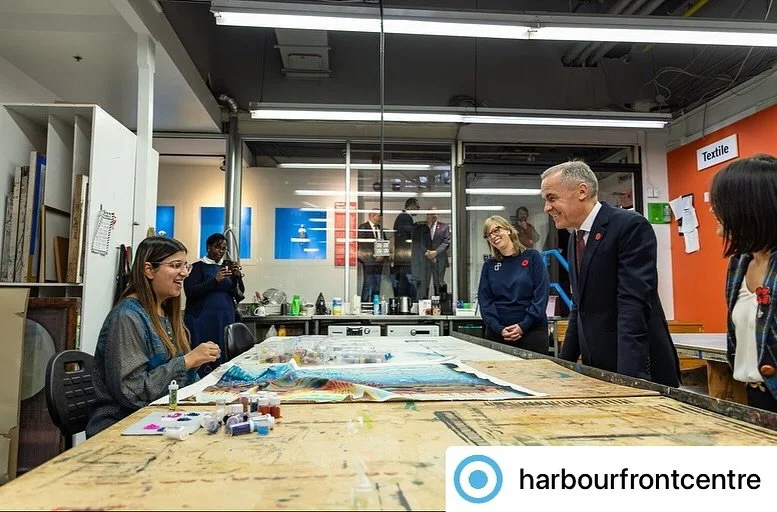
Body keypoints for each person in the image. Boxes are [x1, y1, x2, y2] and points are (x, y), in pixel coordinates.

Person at [540, 160, 680, 386]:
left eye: (552, 198)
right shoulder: (576, 237)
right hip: (598, 367)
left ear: (582, 191)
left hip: (634, 368)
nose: (547, 208)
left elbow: (632, 306)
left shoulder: (629, 226)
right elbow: (580, 305)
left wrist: (628, 379)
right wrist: (562, 367)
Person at [86, 237, 220, 437]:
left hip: (160, 416)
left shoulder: (166, 314)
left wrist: (196, 366)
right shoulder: (127, 317)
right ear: (149, 270)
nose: (184, 273)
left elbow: (175, 381)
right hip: (122, 426)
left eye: (186, 266)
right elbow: (132, 390)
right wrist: (187, 361)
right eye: (176, 265)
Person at [711, 154, 777, 411]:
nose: (713, 210)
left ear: (750, 207)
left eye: (721, 204)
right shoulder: (739, 264)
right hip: (756, 396)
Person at [477, 215, 550, 352]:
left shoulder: (532, 257)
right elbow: (485, 300)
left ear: (508, 230)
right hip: (498, 334)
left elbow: (541, 295)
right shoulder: (489, 265)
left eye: (496, 230)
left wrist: (524, 325)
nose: (493, 236)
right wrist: (498, 328)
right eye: (488, 235)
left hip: (532, 331)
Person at [184, 233, 244, 376]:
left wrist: (236, 277)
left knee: (223, 352)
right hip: (203, 320)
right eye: (217, 247)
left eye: (224, 248)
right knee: (206, 354)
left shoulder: (226, 267)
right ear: (208, 247)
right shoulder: (197, 267)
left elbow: (239, 293)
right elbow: (191, 292)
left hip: (225, 318)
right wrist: (215, 280)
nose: (221, 251)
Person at [392, 197, 419, 299]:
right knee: (407, 286)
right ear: (411, 206)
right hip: (405, 258)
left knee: (404, 285)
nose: (419, 209)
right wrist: (418, 227)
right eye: (417, 207)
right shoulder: (404, 217)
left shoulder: (403, 217)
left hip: (403, 258)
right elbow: (410, 235)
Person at [358, 210, 386, 302]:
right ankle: (364, 306)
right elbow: (363, 245)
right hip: (368, 262)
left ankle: (375, 306)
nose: (380, 218)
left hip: (379, 263)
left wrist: (383, 255)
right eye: (379, 216)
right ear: (372, 216)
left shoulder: (380, 229)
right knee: (367, 285)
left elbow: (384, 243)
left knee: (377, 285)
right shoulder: (363, 227)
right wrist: (374, 255)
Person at [424, 206, 451, 296]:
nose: (433, 215)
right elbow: (419, 242)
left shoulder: (444, 227)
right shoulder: (422, 227)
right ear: (427, 215)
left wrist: (435, 252)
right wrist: (427, 253)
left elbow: (446, 242)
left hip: (440, 259)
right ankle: (424, 304)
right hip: (425, 259)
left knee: (439, 282)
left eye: (435, 213)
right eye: (431, 214)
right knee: (424, 283)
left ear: (438, 215)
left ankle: (440, 305)